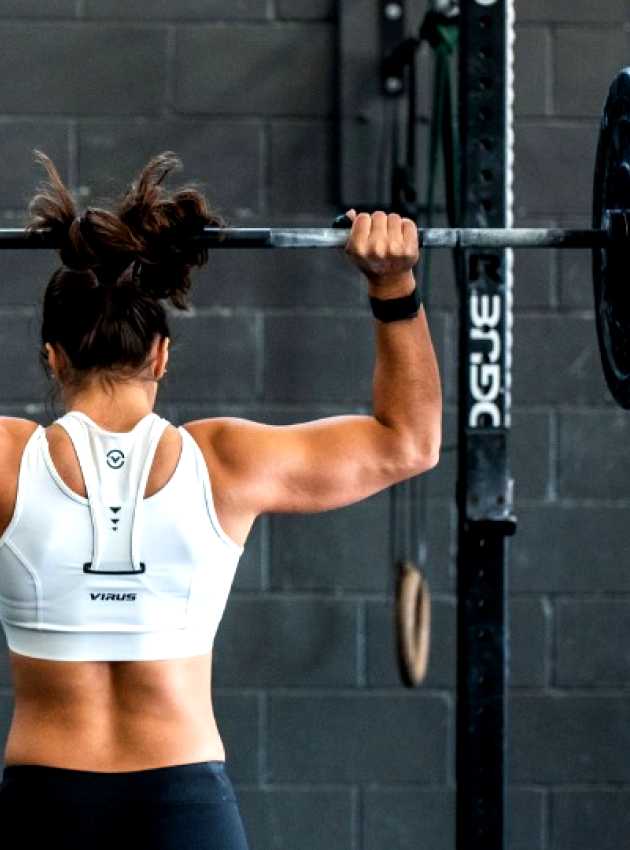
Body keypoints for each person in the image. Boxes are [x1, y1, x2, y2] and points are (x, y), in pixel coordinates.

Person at [0, 151, 442, 850]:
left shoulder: (8, 463)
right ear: (162, 356)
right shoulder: (224, 462)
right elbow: (407, 441)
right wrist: (395, 286)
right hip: (183, 807)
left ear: (51, 357)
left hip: (44, 806)